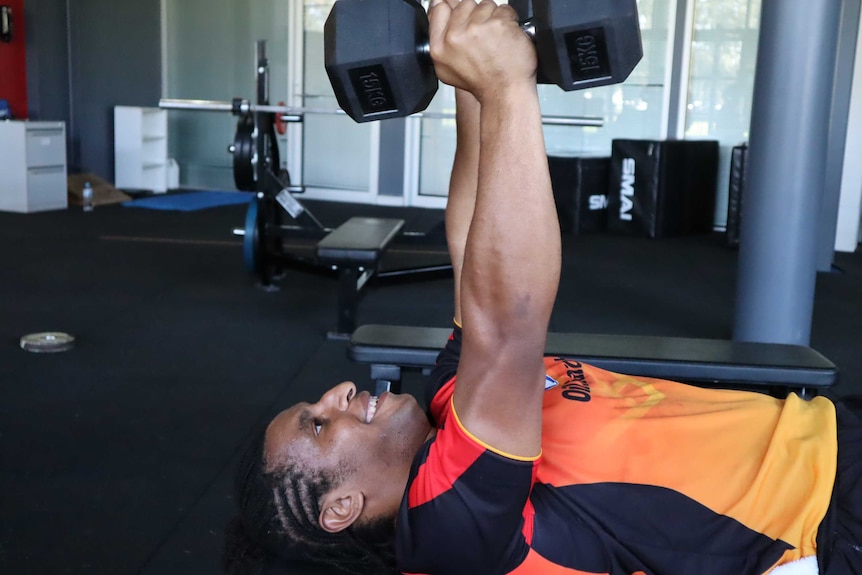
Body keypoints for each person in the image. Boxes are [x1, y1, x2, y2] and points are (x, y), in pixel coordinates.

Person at [223, 1, 862, 574]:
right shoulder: (449, 536)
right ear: (340, 509)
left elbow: (474, 244)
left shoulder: (451, 407)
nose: (335, 394)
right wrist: (505, 85)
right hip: (830, 517)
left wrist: (468, 76)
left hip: (826, 431)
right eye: (317, 424)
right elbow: (508, 322)